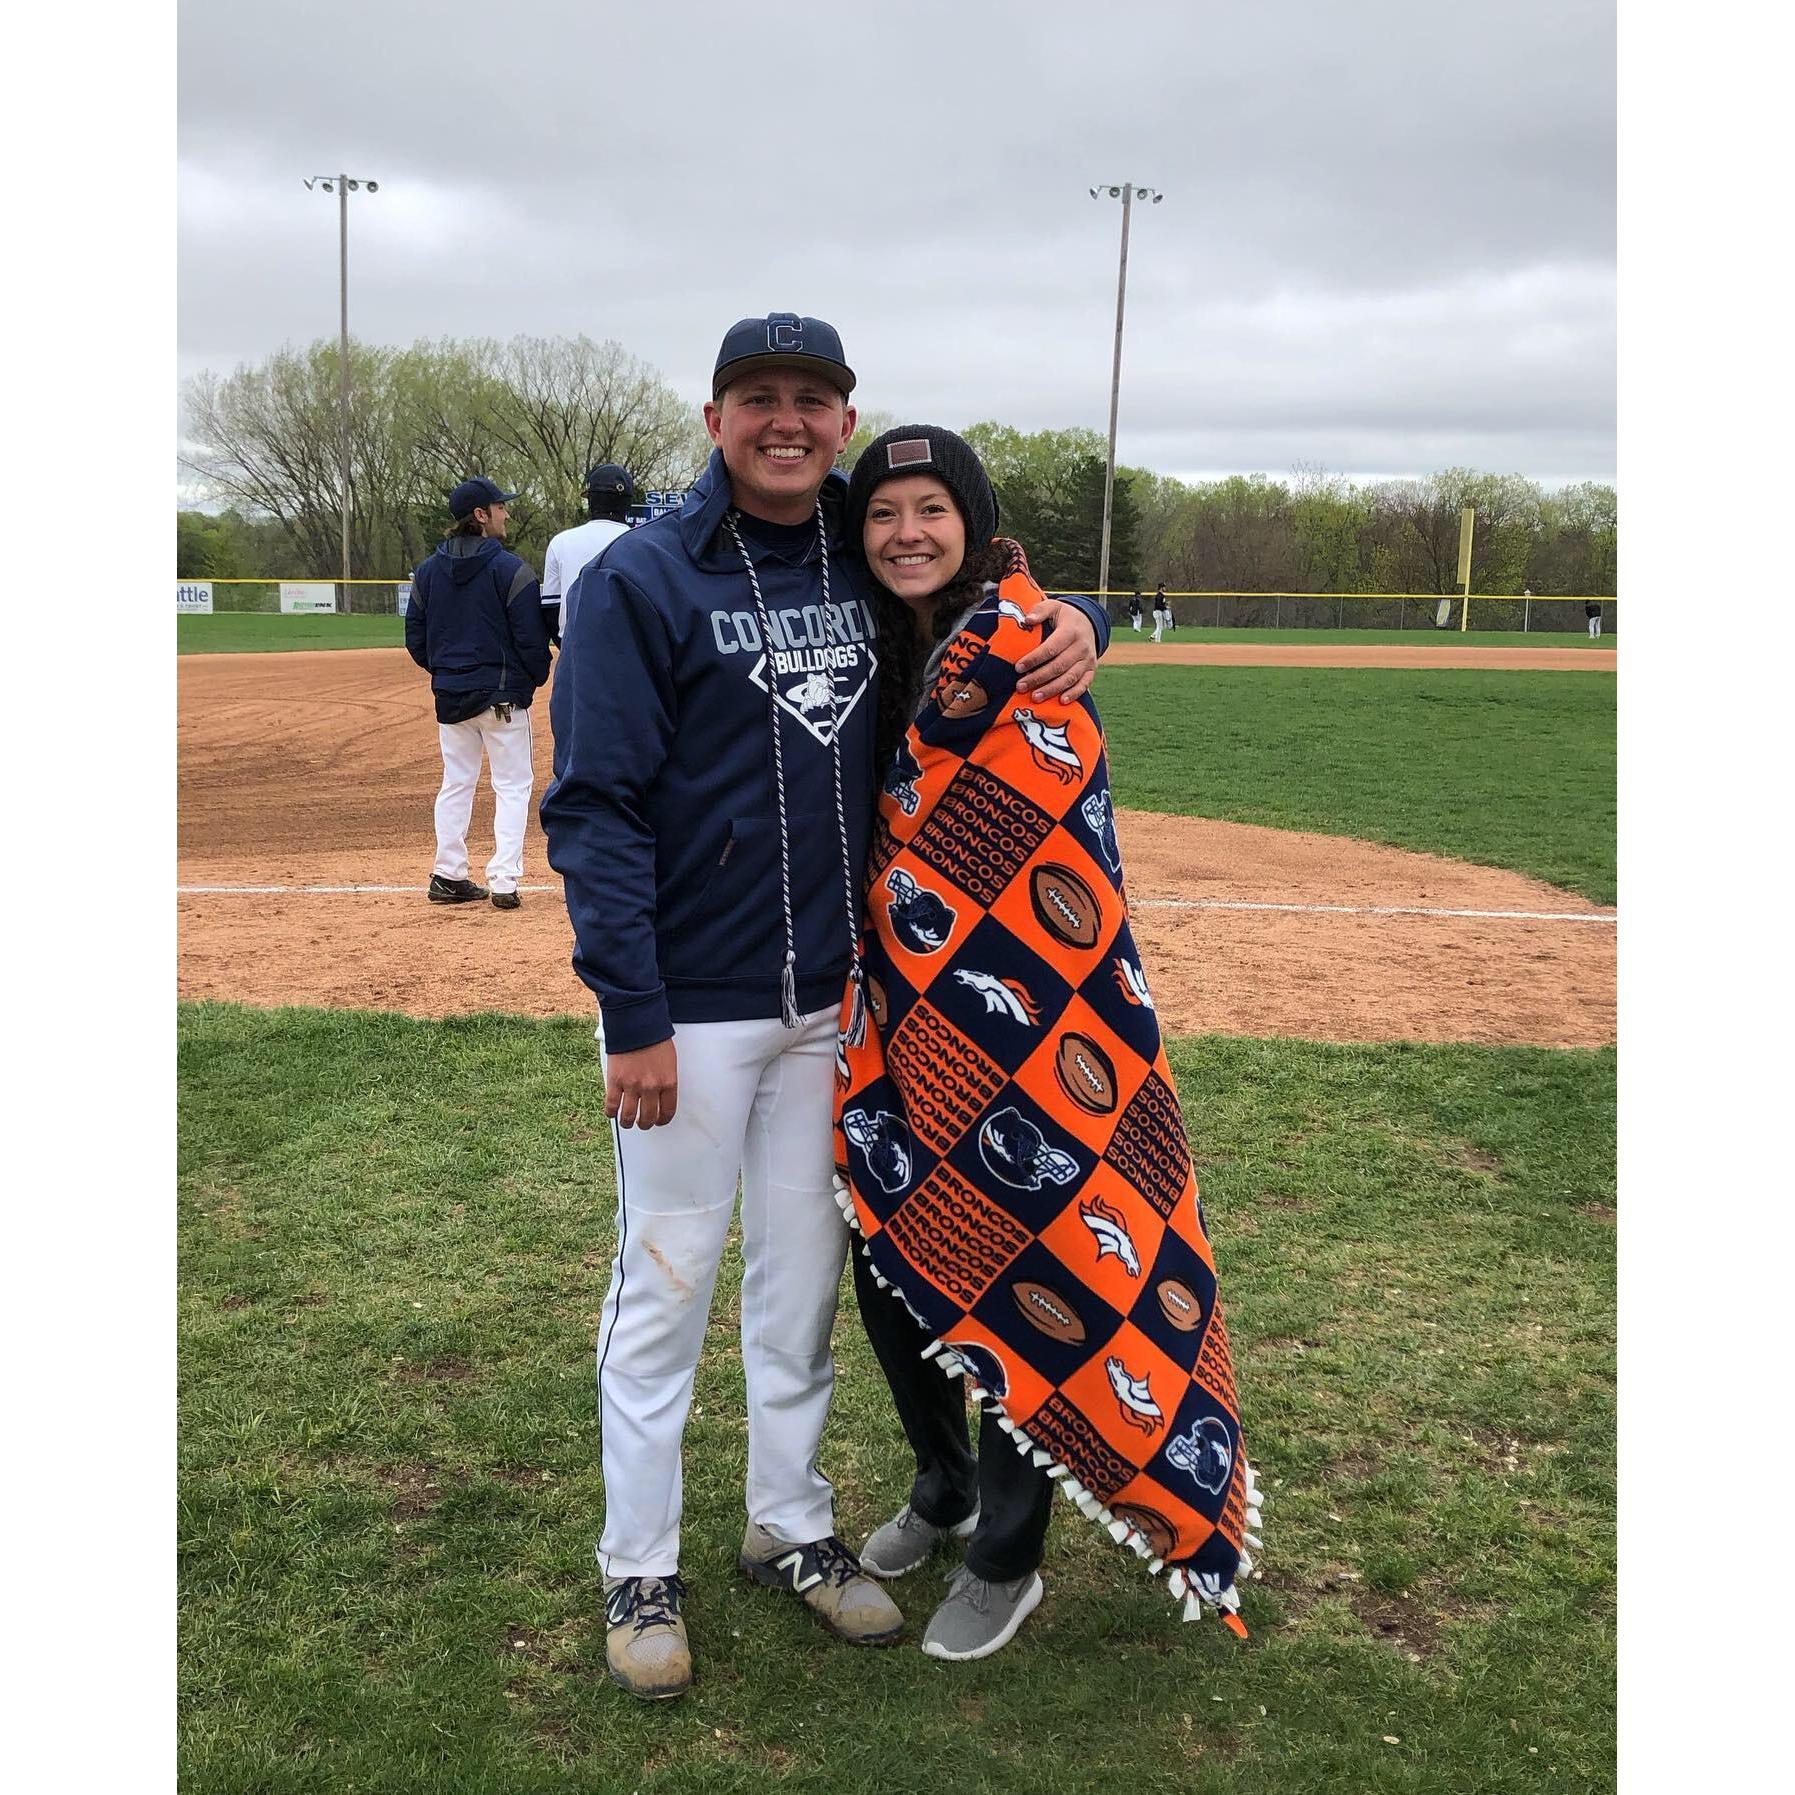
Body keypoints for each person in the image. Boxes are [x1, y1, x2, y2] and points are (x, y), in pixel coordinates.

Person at [539, 315, 1109, 1702]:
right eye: (758, 399)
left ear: (841, 420)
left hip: (834, 1006)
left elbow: (975, 567)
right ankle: (637, 1562)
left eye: (811, 399)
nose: (784, 420)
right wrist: (632, 1009)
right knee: (662, 1289)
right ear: (715, 415)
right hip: (693, 1005)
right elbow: (594, 804)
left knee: (796, 1287)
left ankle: (789, 1525)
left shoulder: (855, 544)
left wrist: (1076, 620)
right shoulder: (641, 574)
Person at [835, 426, 1259, 1662]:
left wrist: (1080, 610)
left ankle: (1009, 1546)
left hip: (1040, 1029)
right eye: (882, 514)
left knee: (1035, 1252)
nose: (906, 532)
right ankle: (943, 1478)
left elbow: (1051, 839)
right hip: (896, 1024)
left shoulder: (1028, 648)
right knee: (890, 1254)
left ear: (970, 521)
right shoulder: (860, 637)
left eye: (929, 509)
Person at [405, 476, 550, 911]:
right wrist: (530, 681)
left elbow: (416, 637)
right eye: (500, 506)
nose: (506, 513)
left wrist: (449, 672)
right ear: (481, 516)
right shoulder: (511, 569)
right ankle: (503, 880)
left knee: (456, 783)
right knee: (512, 785)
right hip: (502, 696)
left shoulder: (428, 571)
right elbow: (531, 640)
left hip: (452, 695)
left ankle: (448, 875)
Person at [541, 464, 635, 647]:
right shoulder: (646, 543)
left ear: (590, 501)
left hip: (576, 647)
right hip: (629, 651)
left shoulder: (561, 542)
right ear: (628, 503)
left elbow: (551, 609)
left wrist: (567, 650)